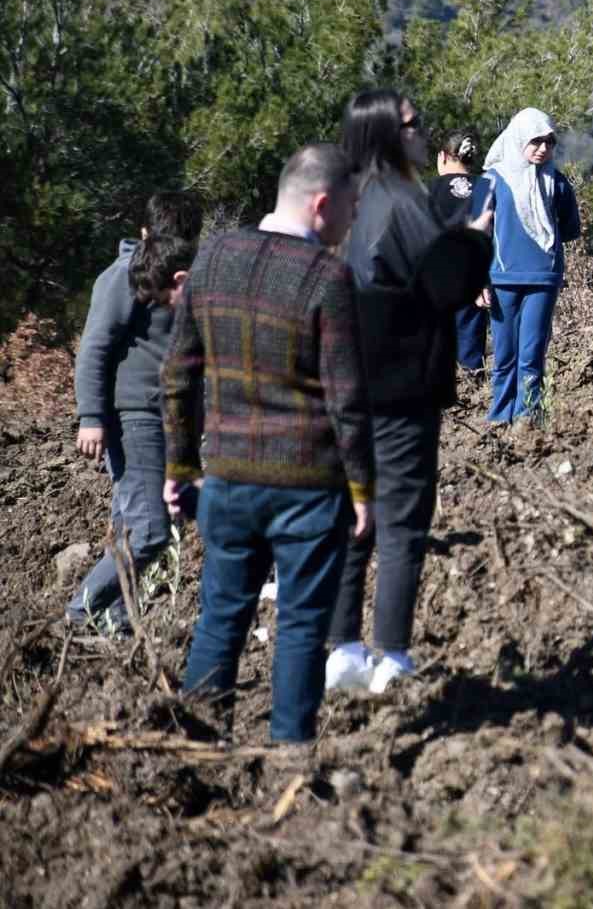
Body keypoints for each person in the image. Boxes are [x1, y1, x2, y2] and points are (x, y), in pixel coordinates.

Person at [165, 145, 373, 744]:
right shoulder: (329, 278)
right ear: (322, 204)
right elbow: (347, 399)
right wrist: (363, 489)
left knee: (220, 620)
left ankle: (198, 752)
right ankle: (289, 760)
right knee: (302, 628)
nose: (352, 222)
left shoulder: (212, 258)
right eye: (351, 208)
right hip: (309, 487)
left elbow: (178, 374)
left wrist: (181, 465)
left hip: (228, 479)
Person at [328, 90, 493, 695]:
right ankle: (392, 656)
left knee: (355, 509)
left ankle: (343, 648)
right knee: (402, 516)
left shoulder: (351, 198)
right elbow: (440, 285)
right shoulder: (401, 200)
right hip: (400, 385)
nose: (424, 132)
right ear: (386, 135)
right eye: (412, 124)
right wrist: (474, 238)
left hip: (346, 380)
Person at [67, 191, 202, 636]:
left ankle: (117, 623)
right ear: (146, 233)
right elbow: (95, 347)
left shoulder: (186, 278)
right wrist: (91, 416)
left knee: (130, 527)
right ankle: (78, 614)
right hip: (136, 416)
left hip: (170, 419)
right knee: (149, 532)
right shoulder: (124, 275)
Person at [481, 108, 582, 426]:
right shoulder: (491, 180)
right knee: (504, 354)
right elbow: (477, 235)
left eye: (549, 142)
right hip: (502, 278)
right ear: (518, 139)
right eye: (536, 141)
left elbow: (570, 228)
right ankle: (500, 417)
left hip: (544, 277)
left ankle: (528, 419)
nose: (543, 148)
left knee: (532, 352)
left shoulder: (557, 183)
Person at [427, 128, 494, 373]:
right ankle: (473, 386)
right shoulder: (487, 188)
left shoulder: (428, 190)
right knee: (470, 356)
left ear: (442, 157)